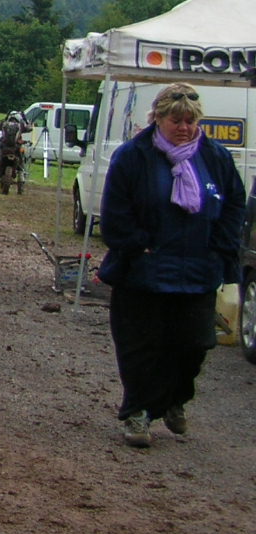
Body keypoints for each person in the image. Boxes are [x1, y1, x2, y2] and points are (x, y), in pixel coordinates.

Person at [97, 82, 244, 448]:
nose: (184, 128)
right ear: (158, 118)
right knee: (140, 346)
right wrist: (135, 245)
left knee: (195, 343)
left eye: (191, 122)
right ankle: (137, 413)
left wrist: (220, 247)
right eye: (176, 121)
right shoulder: (133, 156)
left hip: (198, 270)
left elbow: (234, 205)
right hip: (142, 272)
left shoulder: (215, 157)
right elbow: (115, 209)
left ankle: (175, 398)